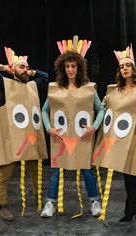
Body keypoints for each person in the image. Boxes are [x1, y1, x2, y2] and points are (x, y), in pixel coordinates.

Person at [41, 36, 104, 218]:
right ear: (63, 67)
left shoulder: (88, 88)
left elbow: (101, 110)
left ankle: (94, 202)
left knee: (86, 169)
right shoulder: (56, 88)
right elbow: (44, 110)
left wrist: (94, 126)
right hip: (61, 137)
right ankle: (50, 204)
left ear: (79, 67)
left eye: (73, 66)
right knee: (57, 170)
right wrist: (48, 127)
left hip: (82, 136)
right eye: (67, 66)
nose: (70, 70)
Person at [0, 48, 48, 221]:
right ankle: (2, 205)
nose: (26, 70)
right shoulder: (4, 83)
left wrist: (32, 71)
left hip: (30, 137)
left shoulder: (32, 86)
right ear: (14, 70)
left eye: (27, 68)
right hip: (12, 138)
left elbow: (45, 76)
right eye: (22, 67)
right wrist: (6, 68)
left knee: (35, 169)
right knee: (5, 172)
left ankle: (38, 197)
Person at [92, 44, 136, 222]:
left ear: (134, 70)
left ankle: (132, 206)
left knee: (133, 171)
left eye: (128, 66)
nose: (125, 69)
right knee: (126, 171)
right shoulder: (114, 91)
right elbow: (104, 109)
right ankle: (132, 207)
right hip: (118, 136)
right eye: (121, 66)